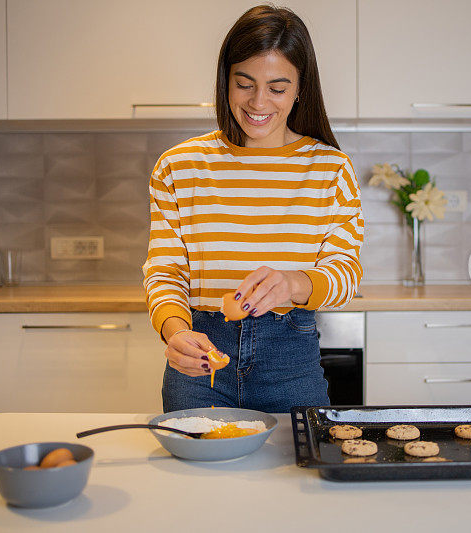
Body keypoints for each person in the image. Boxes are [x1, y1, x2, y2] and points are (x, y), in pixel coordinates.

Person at [142, 4, 363, 413]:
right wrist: (174, 332)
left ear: (300, 89)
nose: (259, 102)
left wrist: (293, 283)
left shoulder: (330, 169)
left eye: (277, 88)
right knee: (193, 477)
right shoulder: (179, 167)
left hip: (291, 367)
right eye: (244, 84)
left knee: (296, 477)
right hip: (200, 365)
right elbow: (166, 270)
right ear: (225, 80)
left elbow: (346, 273)